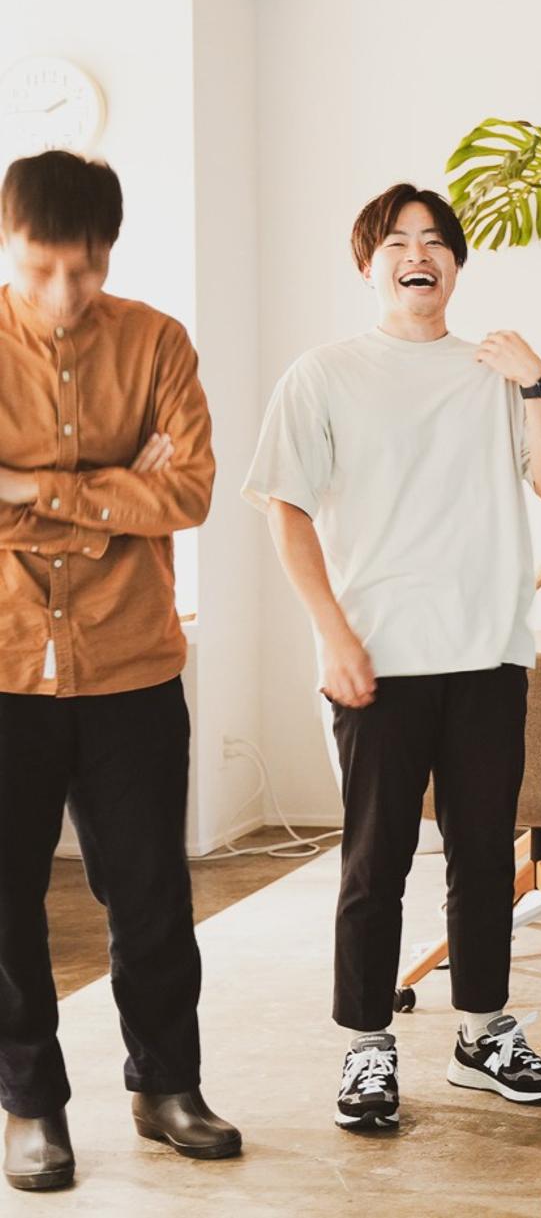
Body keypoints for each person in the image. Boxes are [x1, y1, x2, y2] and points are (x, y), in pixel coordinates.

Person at [244, 183, 541, 1131]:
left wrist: (538, 380)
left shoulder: (495, 375)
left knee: (483, 854)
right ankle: (366, 1045)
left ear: (457, 267)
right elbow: (286, 511)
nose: (417, 254)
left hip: (487, 654)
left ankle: (483, 1035)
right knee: (375, 860)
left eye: (434, 241)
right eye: (396, 241)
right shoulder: (324, 374)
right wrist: (332, 631)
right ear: (368, 265)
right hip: (377, 658)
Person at [0, 150, 239, 1192]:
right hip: (5, 670)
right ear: (7, 242)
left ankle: (167, 1087)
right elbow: (149, 494)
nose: (64, 291)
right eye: (40, 267)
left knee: (150, 895)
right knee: (5, 903)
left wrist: (28, 489)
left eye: (86, 268)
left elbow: (188, 493)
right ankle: (30, 1106)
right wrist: (111, 492)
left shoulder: (157, 343)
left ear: (110, 252)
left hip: (132, 665)